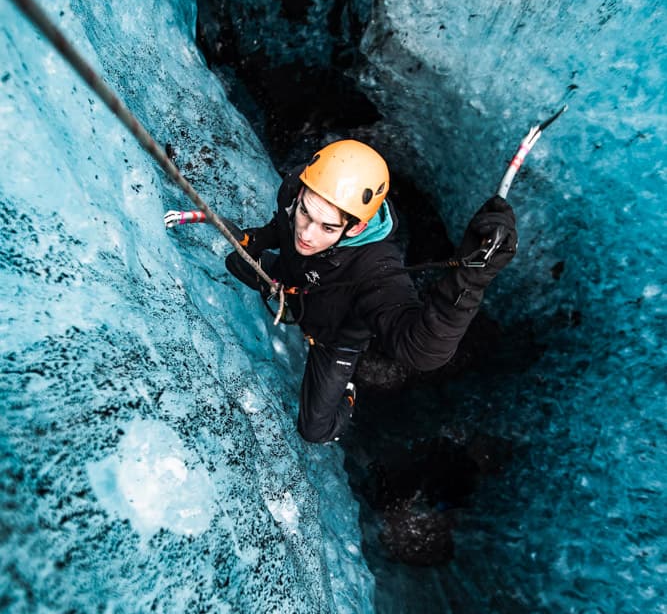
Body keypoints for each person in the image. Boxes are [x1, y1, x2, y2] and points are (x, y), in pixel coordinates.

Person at [164, 139, 517, 443]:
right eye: (305, 212)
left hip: (334, 336)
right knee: (236, 262)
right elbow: (283, 229)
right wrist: (252, 240)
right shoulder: (295, 190)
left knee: (315, 430)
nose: (307, 233)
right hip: (292, 285)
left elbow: (421, 350)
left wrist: (470, 281)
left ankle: (347, 395)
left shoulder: (377, 268)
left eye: (327, 227)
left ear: (357, 226)